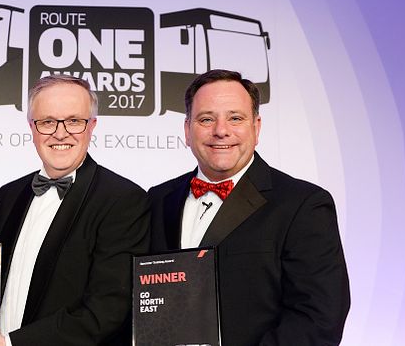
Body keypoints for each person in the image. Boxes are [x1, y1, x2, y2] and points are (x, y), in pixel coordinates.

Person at [148, 69, 350, 345]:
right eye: (206, 119)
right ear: (187, 129)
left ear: (256, 128)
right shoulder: (158, 200)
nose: (221, 131)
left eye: (236, 118)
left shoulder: (303, 204)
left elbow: (318, 318)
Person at [0, 75, 149, 346]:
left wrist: (11, 344)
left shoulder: (122, 200)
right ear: (32, 127)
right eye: (47, 122)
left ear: (92, 126)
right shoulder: (9, 195)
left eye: (74, 121)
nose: (60, 133)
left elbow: (107, 310)